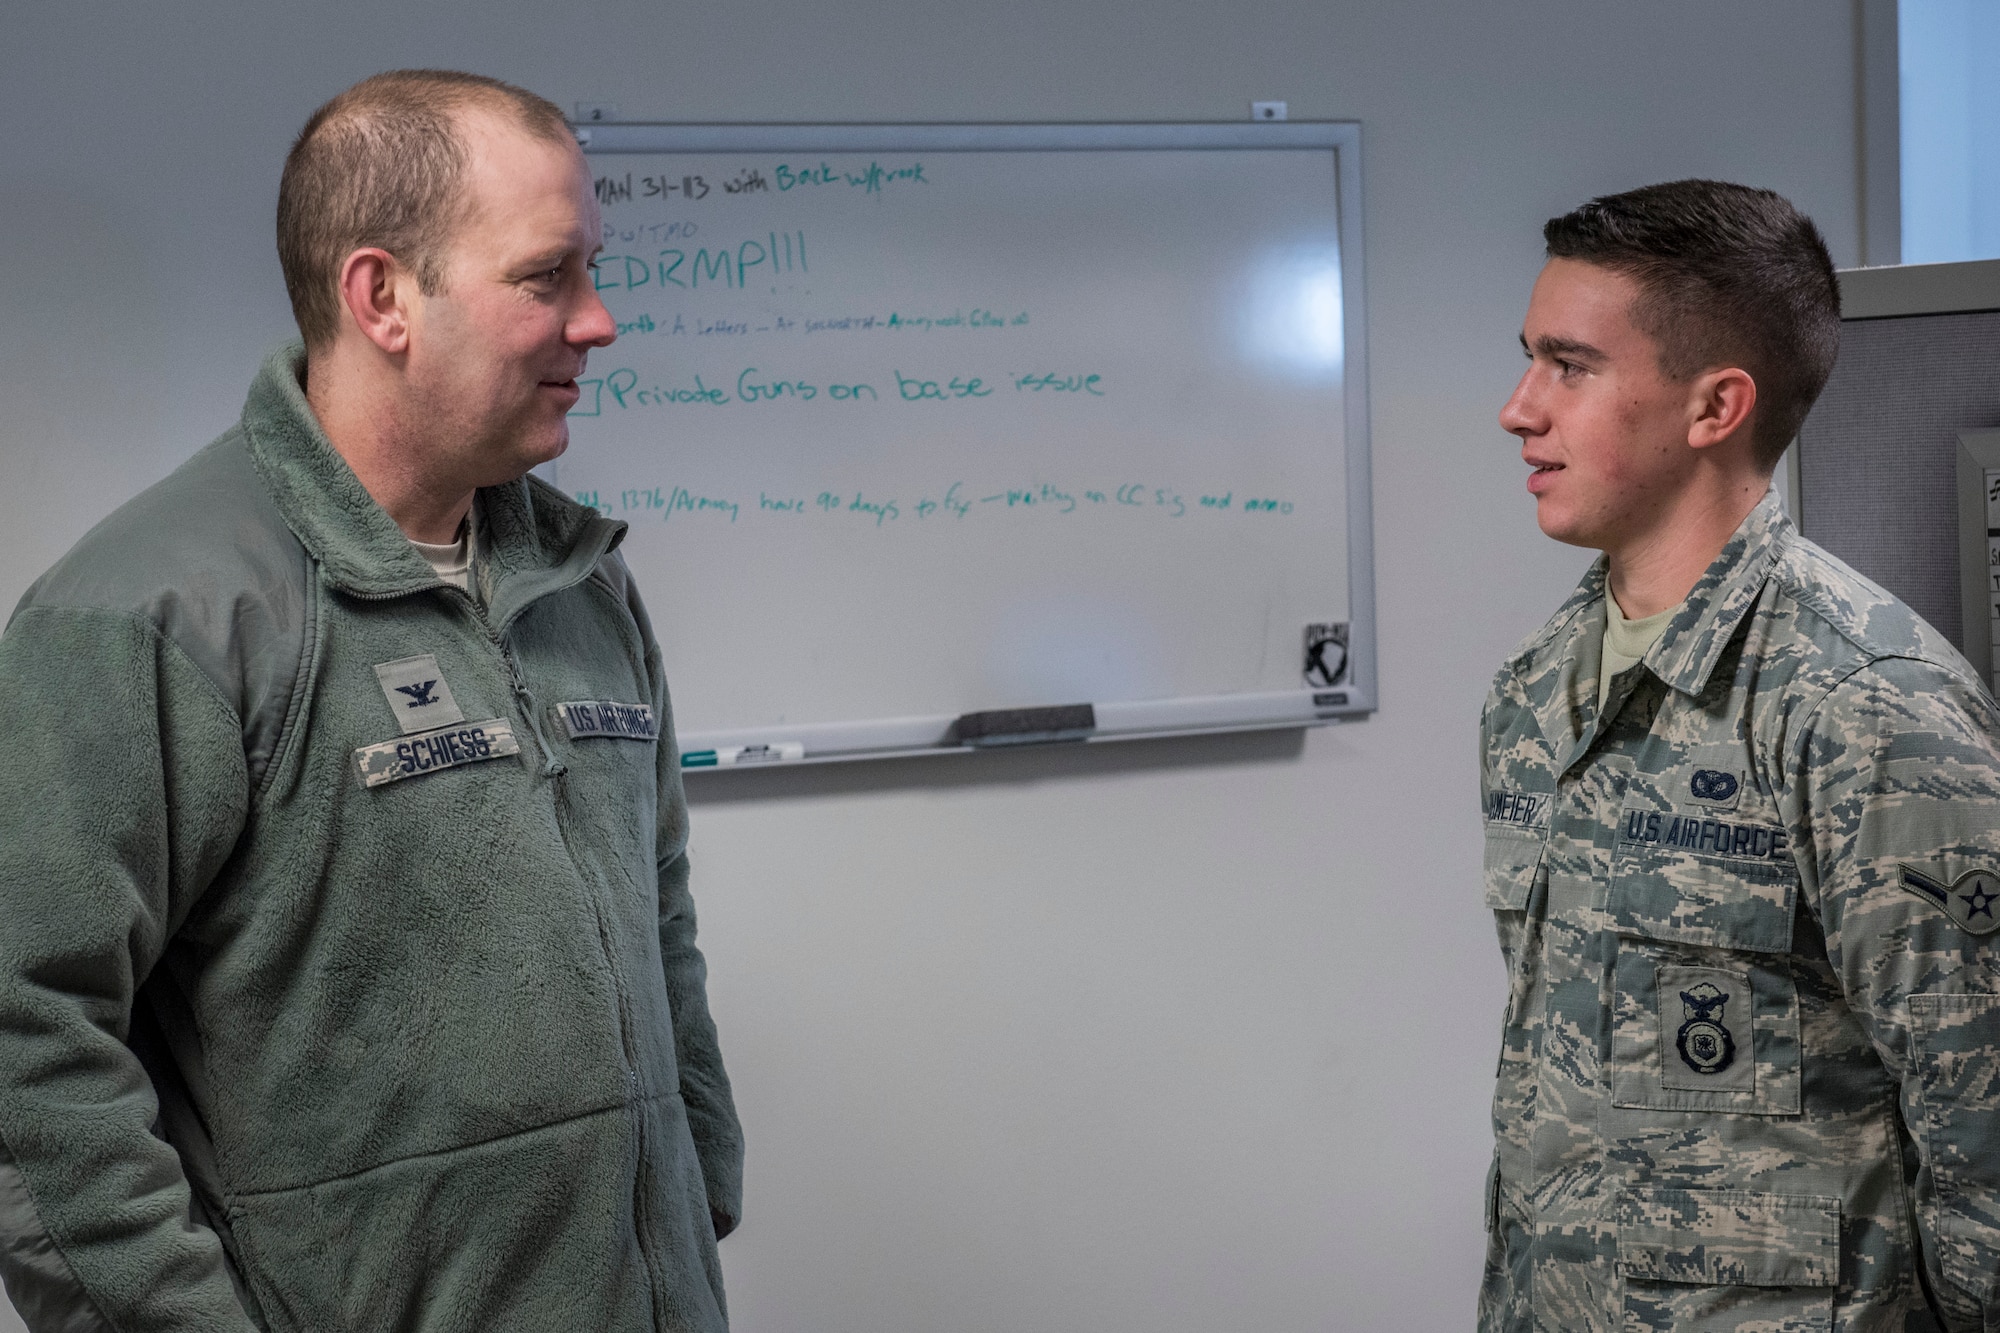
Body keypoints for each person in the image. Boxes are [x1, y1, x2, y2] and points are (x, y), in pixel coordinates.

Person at [0, 70, 742, 1331]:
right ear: (382, 297)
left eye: (592, 271)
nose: (598, 320)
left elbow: (657, 902)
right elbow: (27, 1039)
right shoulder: (151, 618)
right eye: (546, 277)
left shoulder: (580, 582)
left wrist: (697, 1172)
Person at [1480, 179, 2000, 1331]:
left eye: (1569, 367)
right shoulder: (1536, 688)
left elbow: (1982, 1123)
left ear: (1713, 406)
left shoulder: (1864, 702)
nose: (1517, 409)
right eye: (1528, 361)